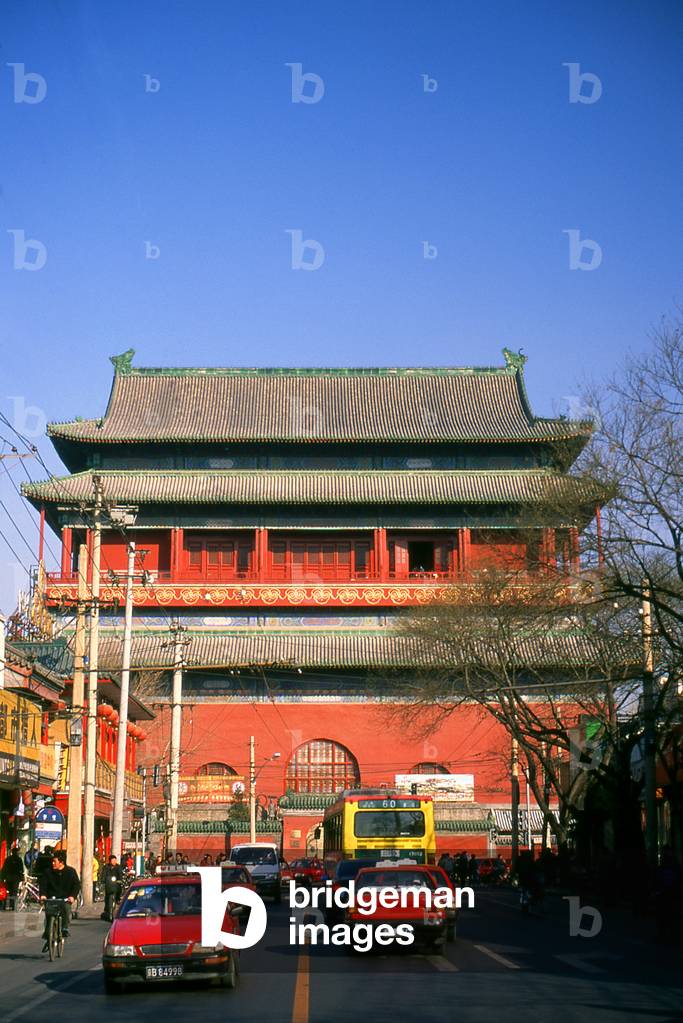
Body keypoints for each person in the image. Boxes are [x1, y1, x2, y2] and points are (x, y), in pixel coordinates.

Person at [39, 852, 80, 952]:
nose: (53, 863)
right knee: (49, 915)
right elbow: (43, 884)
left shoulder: (70, 872)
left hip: (65, 899)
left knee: (66, 909)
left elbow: (76, 885)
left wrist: (72, 896)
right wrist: (43, 895)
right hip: (51, 898)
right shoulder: (47, 872)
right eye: (52, 861)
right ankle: (48, 935)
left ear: (61, 862)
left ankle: (64, 929)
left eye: (55, 861)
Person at [101, 855, 124, 921]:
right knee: (107, 896)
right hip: (109, 884)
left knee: (119, 889)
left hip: (116, 884)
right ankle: (107, 908)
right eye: (112, 860)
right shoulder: (106, 867)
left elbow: (120, 874)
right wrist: (103, 881)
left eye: (115, 860)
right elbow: (103, 875)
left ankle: (118, 898)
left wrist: (120, 880)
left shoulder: (118, 867)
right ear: (110, 861)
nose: (114, 862)